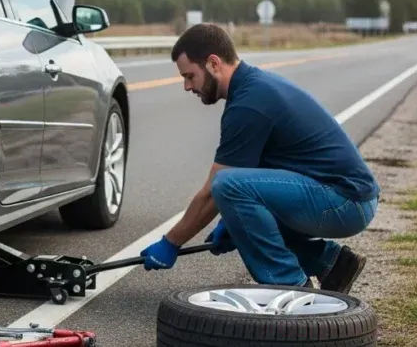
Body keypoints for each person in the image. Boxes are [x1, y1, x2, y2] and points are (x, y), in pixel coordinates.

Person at [140, 23, 379, 293]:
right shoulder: (253, 86)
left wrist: (171, 243)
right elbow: (258, 176)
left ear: (213, 63)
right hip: (347, 198)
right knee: (238, 205)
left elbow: (214, 192)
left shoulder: (249, 103)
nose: (186, 86)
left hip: (345, 201)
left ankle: (289, 286)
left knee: (227, 186)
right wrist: (232, 222)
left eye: (189, 76)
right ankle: (332, 264)